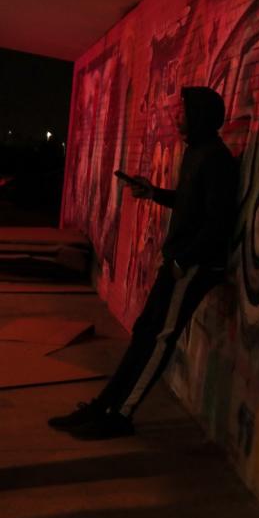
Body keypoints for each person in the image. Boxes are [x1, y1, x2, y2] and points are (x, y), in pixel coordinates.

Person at [48, 86, 239, 440]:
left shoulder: (215, 158)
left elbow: (218, 222)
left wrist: (184, 260)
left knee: (160, 339)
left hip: (191, 267)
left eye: (183, 109)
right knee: (144, 334)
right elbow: (190, 203)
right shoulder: (198, 152)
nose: (176, 113)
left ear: (198, 114)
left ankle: (120, 415)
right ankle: (104, 405)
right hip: (180, 262)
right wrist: (153, 193)